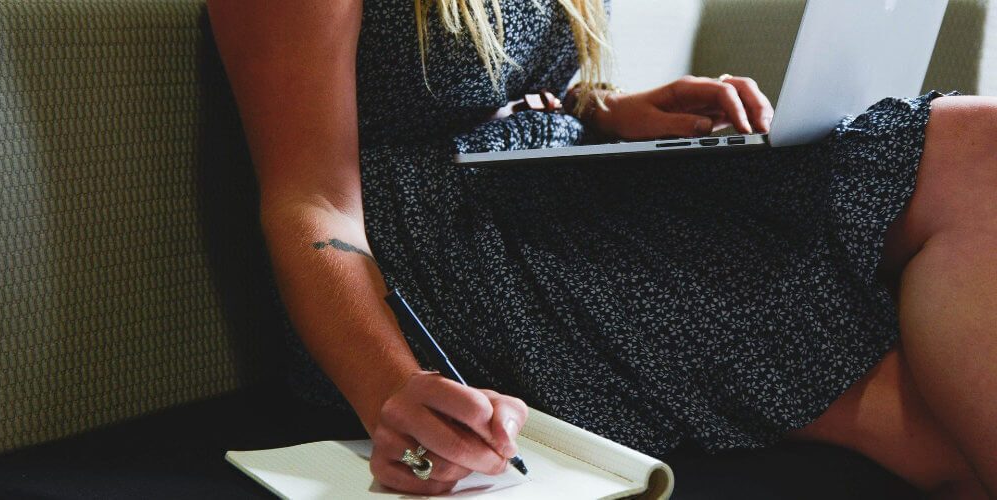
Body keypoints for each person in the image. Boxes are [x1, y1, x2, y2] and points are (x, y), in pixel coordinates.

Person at [206, 0, 996, 497]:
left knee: (979, 143)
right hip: (442, 262)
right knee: (933, 433)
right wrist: (392, 390)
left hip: (549, 195)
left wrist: (606, 112)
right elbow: (310, 198)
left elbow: (483, 84)